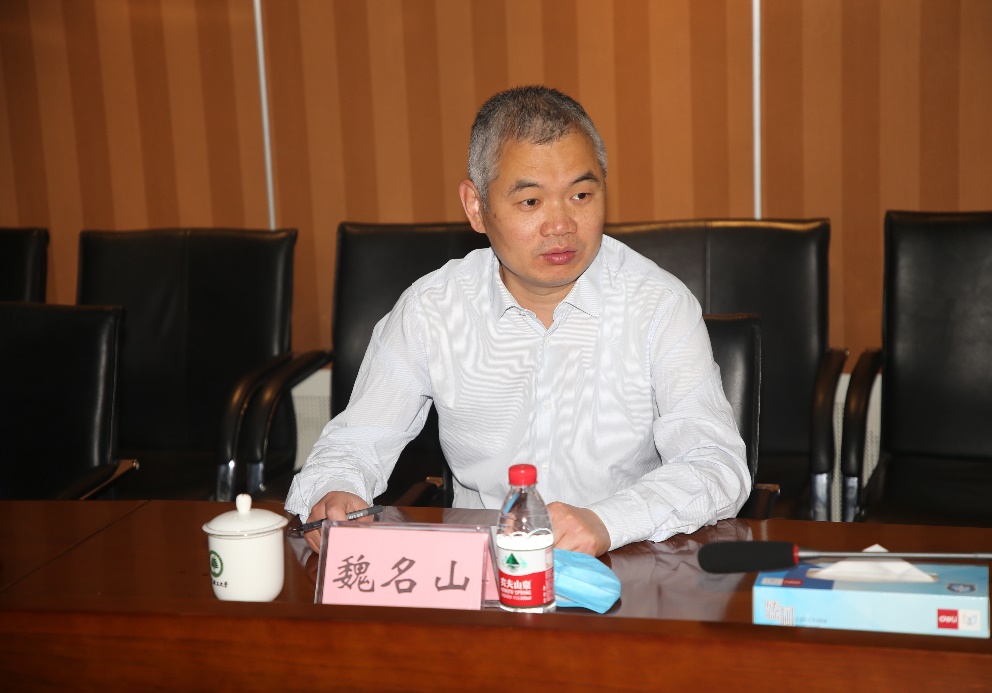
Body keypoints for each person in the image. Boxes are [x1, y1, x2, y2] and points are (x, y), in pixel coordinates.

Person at [285, 85, 750, 556]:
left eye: (582, 195)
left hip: (625, 560)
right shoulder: (432, 309)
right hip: (479, 569)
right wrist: (336, 491)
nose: (561, 225)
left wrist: (607, 521)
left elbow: (715, 464)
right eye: (531, 202)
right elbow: (356, 442)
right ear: (476, 206)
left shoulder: (659, 305)